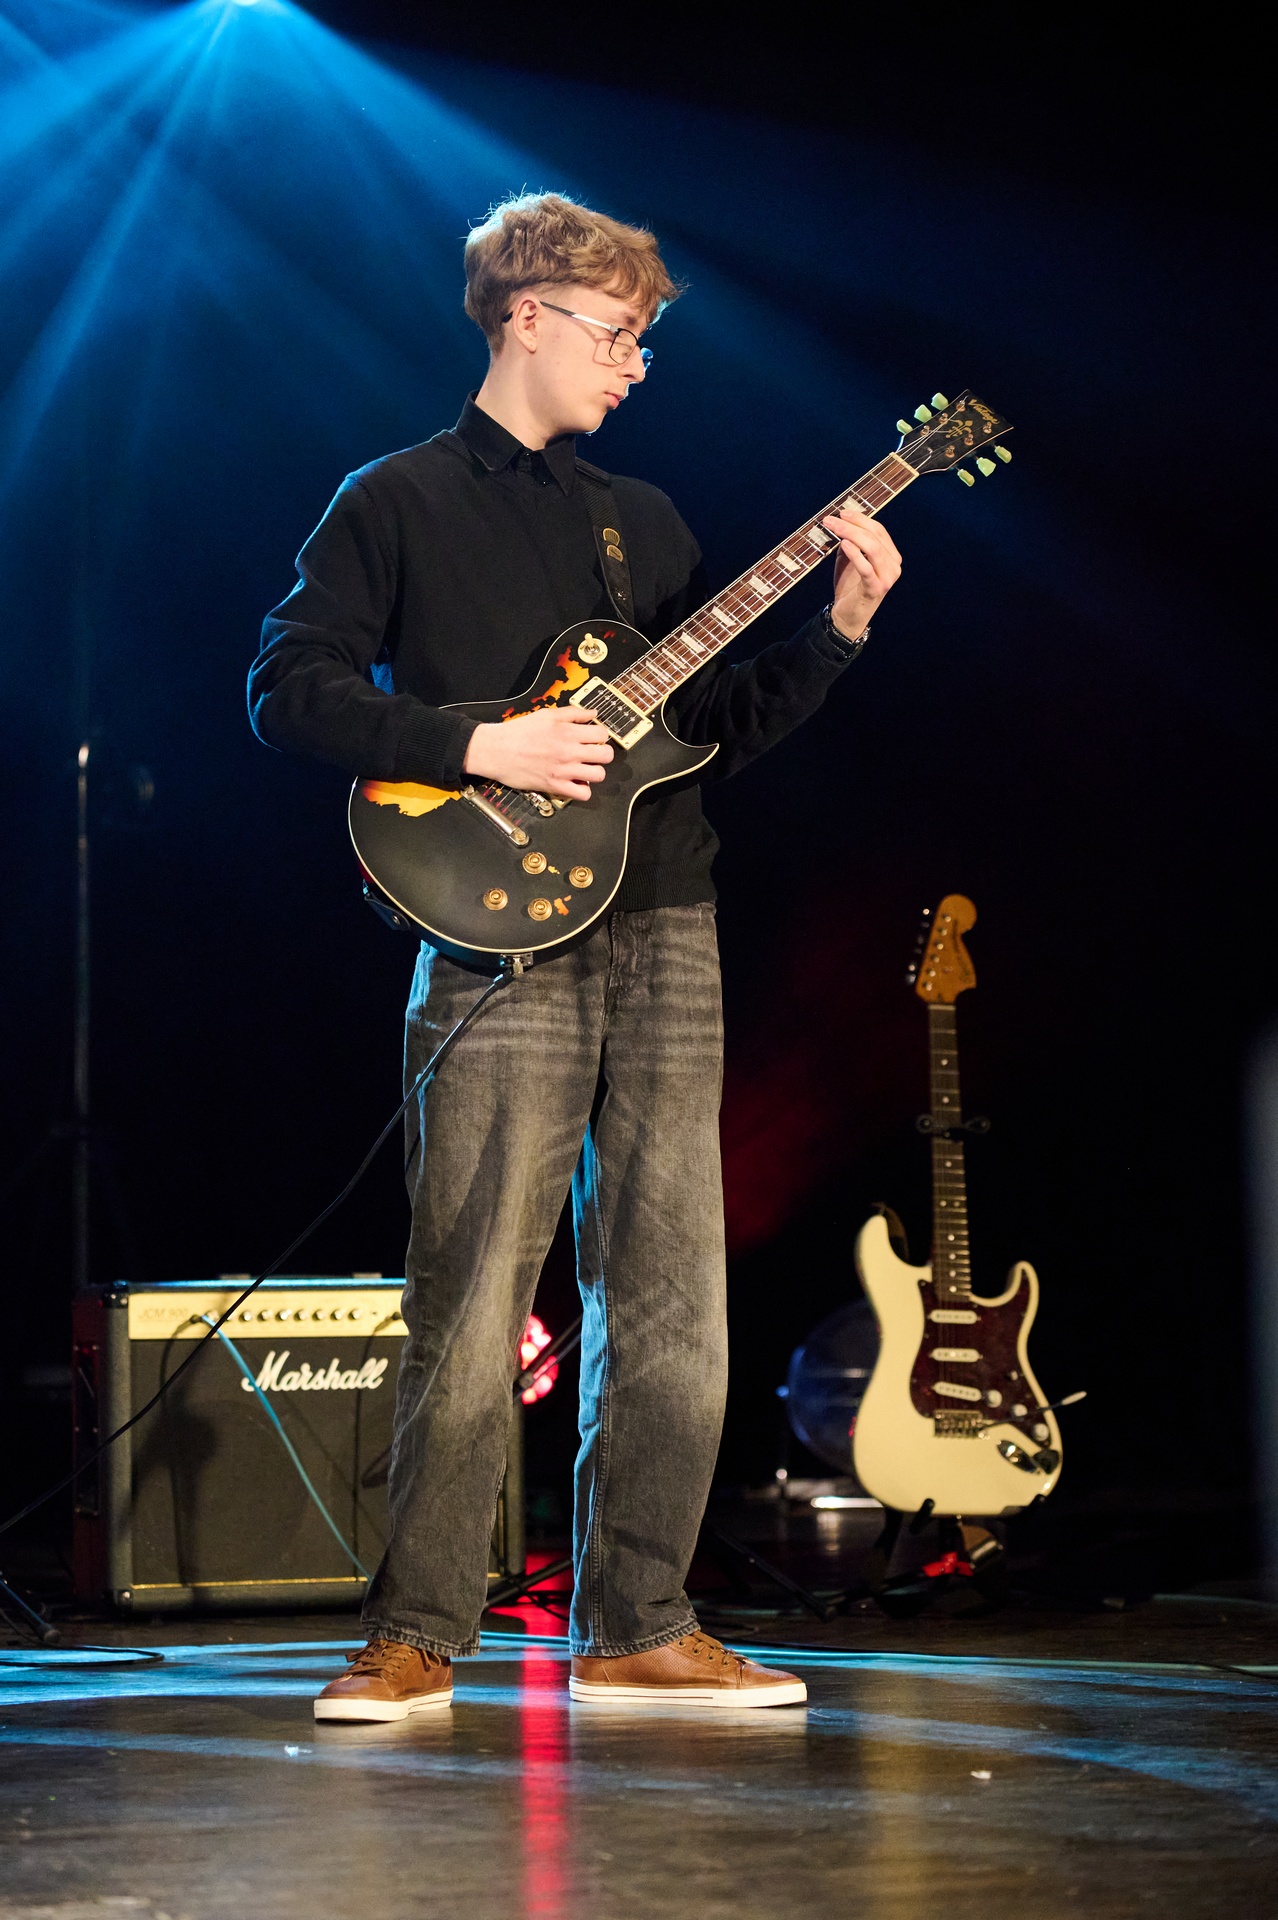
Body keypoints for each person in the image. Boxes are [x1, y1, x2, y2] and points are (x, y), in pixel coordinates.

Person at [248, 192, 901, 1720]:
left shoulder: (645, 522)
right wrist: (475, 743)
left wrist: (838, 632)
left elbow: (706, 731)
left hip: (665, 919)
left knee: (670, 1289)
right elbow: (290, 687)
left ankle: (637, 1624)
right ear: (525, 313)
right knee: (472, 1287)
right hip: (495, 943)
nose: (635, 362)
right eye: (617, 332)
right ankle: (417, 1632)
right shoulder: (393, 499)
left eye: (645, 339)